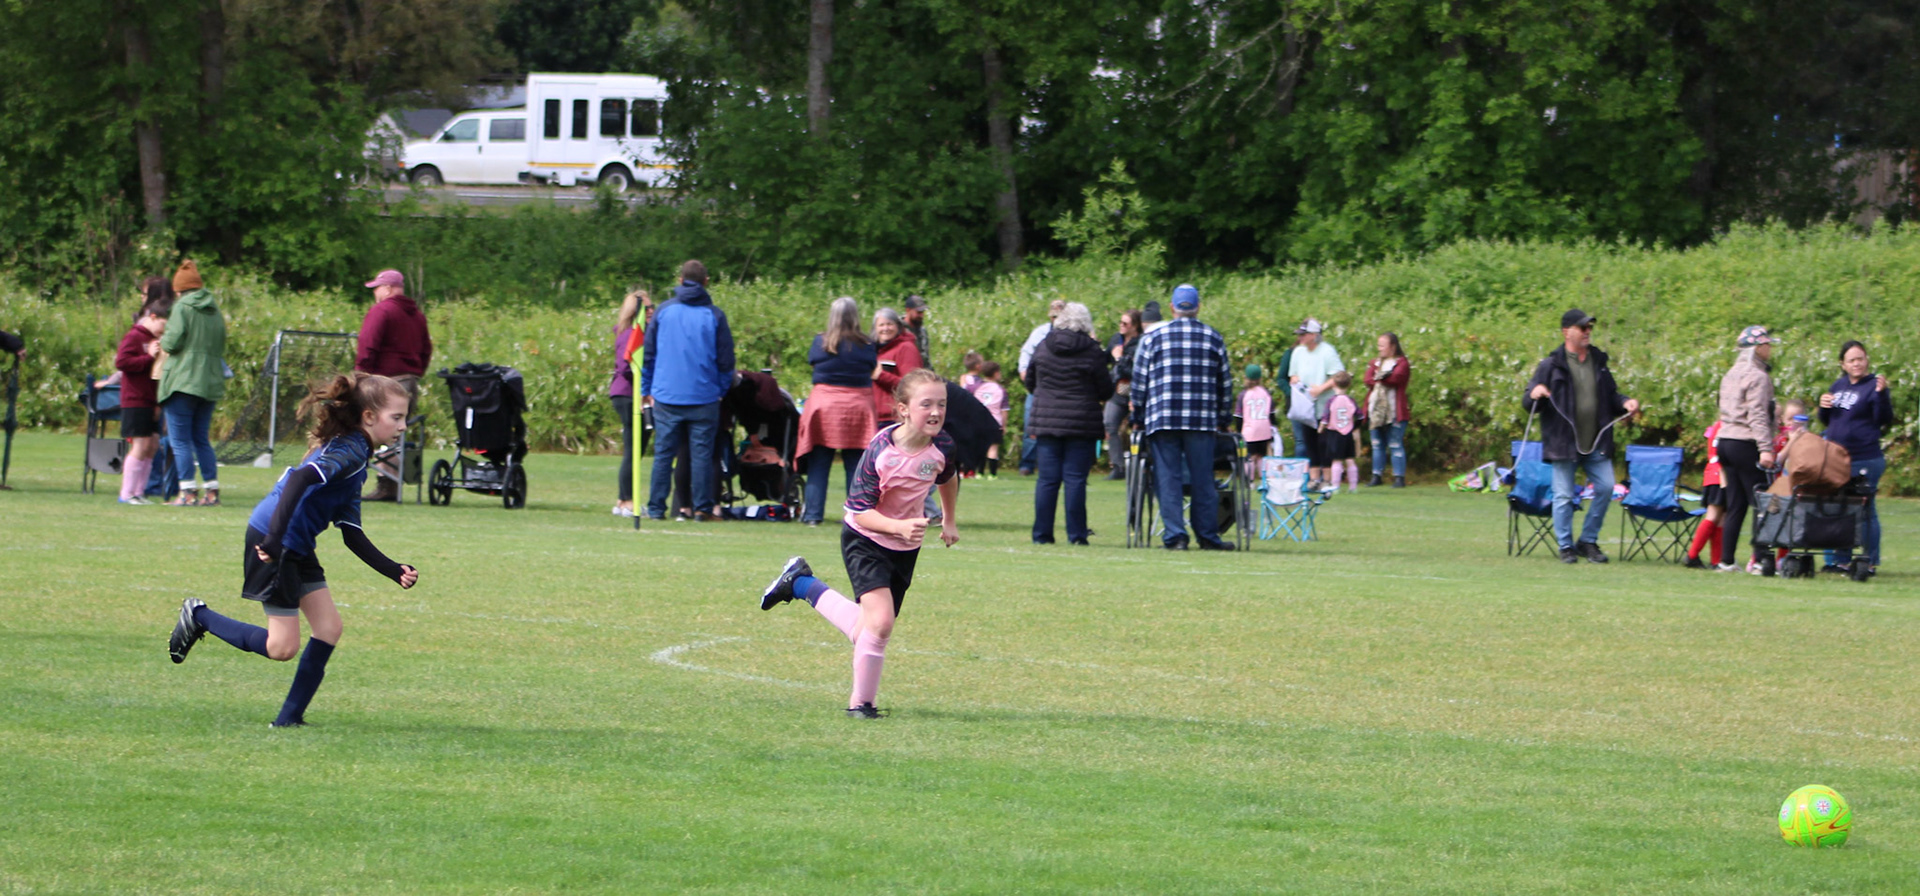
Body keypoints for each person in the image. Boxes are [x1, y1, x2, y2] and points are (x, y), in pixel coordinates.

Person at [166, 373, 419, 727]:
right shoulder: (349, 451)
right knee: (281, 647)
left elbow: (351, 532)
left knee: (329, 628)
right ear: (368, 417)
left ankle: (289, 720)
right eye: (397, 417)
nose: (403, 426)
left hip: (293, 541)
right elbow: (300, 479)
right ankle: (198, 616)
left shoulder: (357, 456)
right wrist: (273, 539)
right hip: (276, 538)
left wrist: (393, 569)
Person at [757, 368, 960, 720]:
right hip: (864, 539)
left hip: (904, 547)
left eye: (941, 404)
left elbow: (948, 477)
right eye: (926, 404)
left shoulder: (942, 446)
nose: (935, 412)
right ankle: (860, 706)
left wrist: (950, 520)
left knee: (868, 629)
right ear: (903, 409)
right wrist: (898, 526)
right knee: (880, 624)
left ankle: (801, 583)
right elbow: (860, 512)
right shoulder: (881, 450)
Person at [1524, 308, 1641, 564]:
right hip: (1564, 442)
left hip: (1596, 440)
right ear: (1566, 332)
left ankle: (1587, 540)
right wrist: (1536, 393)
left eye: (1590, 328)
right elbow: (1528, 401)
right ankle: (1566, 546)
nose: (1588, 332)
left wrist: (1626, 403)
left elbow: (1612, 396)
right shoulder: (1550, 365)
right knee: (1564, 496)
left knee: (1606, 487)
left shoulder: (1598, 362)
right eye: (1583, 327)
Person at [1130, 284, 1235, 551]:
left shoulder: (1153, 337)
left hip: (1162, 419)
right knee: (1203, 479)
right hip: (1201, 420)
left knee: (1168, 479)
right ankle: (1207, 536)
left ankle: (1176, 536)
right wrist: (1224, 418)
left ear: (1172, 308)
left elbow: (1139, 383)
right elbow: (1225, 383)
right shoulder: (1213, 337)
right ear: (1198, 307)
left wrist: (1137, 415)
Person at [642, 260, 736, 521]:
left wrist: (646, 388)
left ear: (680, 280)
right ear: (706, 282)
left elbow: (649, 354)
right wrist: (720, 390)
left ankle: (656, 508)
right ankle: (702, 508)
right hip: (704, 395)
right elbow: (726, 360)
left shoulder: (663, 311)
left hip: (666, 395)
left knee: (663, 455)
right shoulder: (714, 315)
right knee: (702, 456)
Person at [1023, 302, 1114, 545]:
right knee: (1075, 480)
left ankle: (1042, 535)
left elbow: (1030, 381)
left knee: (1047, 480)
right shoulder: (1092, 350)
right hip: (1081, 422)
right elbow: (1105, 389)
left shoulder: (1044, 345)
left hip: (1047, 421)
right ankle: (1077, 535)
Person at [798, 297, 879, 526]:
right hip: (858, 407)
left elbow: (813, 362)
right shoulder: (867, 344)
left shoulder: (821, 341)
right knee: (856, 463)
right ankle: (857, 515)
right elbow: (872, 367)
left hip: (824, 406)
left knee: (819, 461)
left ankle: (813, 515)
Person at [354, 269, 434, 502]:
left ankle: (383, 483)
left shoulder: (382, 311)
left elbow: (368, 344)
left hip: (384, 380)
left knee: (375, 427)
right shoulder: (417, 316)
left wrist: (360, 376)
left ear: (388, 288)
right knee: (397, 431)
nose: (375, 293)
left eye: (377, 288)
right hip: (409, 381)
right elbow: (426, 350)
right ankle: (390, 483)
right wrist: (416, 372)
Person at [157, 259, 228, 507]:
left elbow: (172, 342)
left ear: (179, 290)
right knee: (201, 438)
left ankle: (187, 492)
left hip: (183, 380)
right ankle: (212, 491)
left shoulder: (182, 307)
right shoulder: (215, 310)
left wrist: (162, 342)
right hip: (210, 381)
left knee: (180, 440)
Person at [1819, 340, 1893, 575]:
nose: (1857, 364)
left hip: (1865, 457)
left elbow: (1883, 418)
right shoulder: (1838, 386)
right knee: (1838, 508)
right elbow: (1828, 421)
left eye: (1860, 358)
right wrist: (1823, 407)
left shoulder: (1873, 386)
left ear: (1867, 360)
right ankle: (1840, 561)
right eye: (1851, 360)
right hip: (1837, 457)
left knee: (1865, 509)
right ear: (1843, 364)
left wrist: (1882, 395)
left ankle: (1868, 561)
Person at [1713, 325, 1779, 573]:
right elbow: (1757, 414)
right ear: (1758, 347)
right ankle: (1761, 560)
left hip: (1725, 440)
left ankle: (1726, 560)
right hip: (1745, 442)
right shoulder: (1758, 376)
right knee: (1762, 501)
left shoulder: (1730, 373)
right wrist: (1765, 448)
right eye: (1767, 344)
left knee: (1735, 503)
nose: (1769, 349)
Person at [114, 291, 171, 504]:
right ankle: (126, 494)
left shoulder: (155, 339)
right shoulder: (134, 337)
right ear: (153, 317)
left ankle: (139, 492)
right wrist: (147, 357)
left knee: (152, 445)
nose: (163, 331)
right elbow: (122, 362)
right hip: (134, 399)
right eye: (163, 325)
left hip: (150, 400)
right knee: (139, 445)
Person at [607, 287, 651, 518]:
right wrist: (644, 390)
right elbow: (627, 367)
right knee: (634, 448)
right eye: (648, 308)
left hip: (625, 393)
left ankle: (622, 499)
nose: (652, 311)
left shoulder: (631, 332)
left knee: (635, 447)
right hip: (628, 394)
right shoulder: (632, 334)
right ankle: (627, 501)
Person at [1286, 318, 1344, 489]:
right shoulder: (1298, 352)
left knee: (1324, 442)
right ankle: (1313, 479)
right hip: (1305, 405)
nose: (1301, 338)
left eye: (1304, 334)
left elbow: (1338, 376)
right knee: (1309, 441)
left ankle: (1327, 479)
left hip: (1323, 406)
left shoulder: (1327, 351)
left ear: (1314, 335)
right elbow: (1293, 374)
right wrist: (1295, 380)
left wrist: (1321, 389)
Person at [1016, 299, 1066, 475]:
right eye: (1053, 316)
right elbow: (1026, 352)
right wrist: (1024, 370)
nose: (1055, 319)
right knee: (1031, 424)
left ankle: (1055, 464)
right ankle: (1027, 464)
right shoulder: (1040, 333)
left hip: (1061, 388)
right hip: (1038, 386)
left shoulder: (1073, 334)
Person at [1364, 332, 1412, 488]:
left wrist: (1380, 378)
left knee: (1395, 443)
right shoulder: (1375, 363)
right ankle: (1376, 475)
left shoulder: (1402, 363)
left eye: (1382, 345)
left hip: (1394, 411)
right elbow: (1368, 379)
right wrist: (1381, 377)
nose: (1380, 349)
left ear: (1392, 346)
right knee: (1377, 444)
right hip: (1376, 411)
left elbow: (1396, 378)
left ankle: (1399, 477)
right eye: (1379, 345)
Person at [1104, 309, 1144, 480]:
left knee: (1140, 428)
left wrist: (1119, 359)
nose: (1121, 326)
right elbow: (1105, 360)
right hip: (1118, 390)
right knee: (1109, 424)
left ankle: (1143, 465)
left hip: (1136, 390)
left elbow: (1134, 371)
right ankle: (1118, 466)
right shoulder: (1116, 339)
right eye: (1120, 322)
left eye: (1125, 323)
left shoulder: (1141, 343)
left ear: (1135, 326)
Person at [1683, 419, 1727, 569]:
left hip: (1712, 474)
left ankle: (1716, 561)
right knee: (1714, 516)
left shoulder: (1717, 424)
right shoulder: (1727, 425)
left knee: (1720, 518)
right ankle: (1692, 555)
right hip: (1720, 475)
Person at [871, 307, 924, 427]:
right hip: (875, 417)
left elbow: (913, 386)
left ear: (898, 327)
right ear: (875, 328)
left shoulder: (906, 348)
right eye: (881, 325)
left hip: (896, 418)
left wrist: (881, 376)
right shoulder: (873, 351)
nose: (885, 328)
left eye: (890, 324)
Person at [1320, 371, 1360, 493]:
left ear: (1333, 384)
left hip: (1335, 433)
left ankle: (1335, 486)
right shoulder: (1351, 400)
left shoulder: (1331, 401)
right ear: (1349, 385)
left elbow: (1325, 417)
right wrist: (1355, 427)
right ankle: (1353, 486)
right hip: (1348, 432)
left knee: (1336, 460)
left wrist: (1321, 428)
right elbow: (1360, 416)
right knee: (1350, 459)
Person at [1236, 363, 1274, 475]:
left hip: (1249, 432)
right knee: (1261, 455)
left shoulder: (1243, 394)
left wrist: (1239, 431)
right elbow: (1271, 413)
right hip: (1264, 430)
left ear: (1245, 377)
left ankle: (1250, 480)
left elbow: (1239, 416)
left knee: (1250, 457)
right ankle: (1263, 478)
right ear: (1260, 378)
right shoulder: (1266, 393)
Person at [975, 362, 1008, 478]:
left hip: (979, 421)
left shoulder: (977, 387)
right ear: (996, 373)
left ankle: (979, 473)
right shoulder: (1001, 390)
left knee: (980, 448)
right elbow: (1004, 410)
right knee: (993, 448)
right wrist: (1004, 425)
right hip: (994, 422)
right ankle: (992, 474)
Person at [902, 294, 930, 366]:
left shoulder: (923, 332)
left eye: (922, 312)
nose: (921, 315)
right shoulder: (898, 330)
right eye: (918, 312)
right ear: (908, 310)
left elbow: (926, 359)